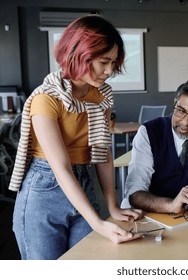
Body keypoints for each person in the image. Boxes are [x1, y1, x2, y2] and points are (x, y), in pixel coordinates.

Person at [9, 15, 143, 260]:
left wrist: (112, 206)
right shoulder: (46, 99)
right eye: (104, 62)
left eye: (113, 62)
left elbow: (102, 154)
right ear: (79, 55)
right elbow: (60, 168)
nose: (110, 71)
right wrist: (99, 223)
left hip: (83, 182)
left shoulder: (101, 97)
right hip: (44, 190)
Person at [123, 80, 188, 215]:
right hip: (152, 215)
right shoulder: (148, 132)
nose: (185, 122)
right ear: (174, 103)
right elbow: (135, 193)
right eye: (181, 111)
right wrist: (171, 205)